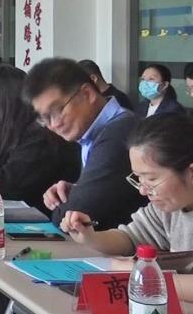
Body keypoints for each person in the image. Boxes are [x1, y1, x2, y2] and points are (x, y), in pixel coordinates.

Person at [60, 114, 193, 301]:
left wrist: (143, 277)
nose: (143, 190)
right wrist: (90, 237)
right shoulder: (171, 207)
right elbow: (130, 238)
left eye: (151, 179)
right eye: (139, 178)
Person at [24, 58, 145, 230]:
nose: (53, 124)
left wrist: (66, 205)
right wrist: (75, 190)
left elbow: (74, 216)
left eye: (57, 111)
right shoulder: (93, 132)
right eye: (45, 118)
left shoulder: (120, 133)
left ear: (87, 94)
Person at [0, 65, 81, 215]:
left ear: (1, 98)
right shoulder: (5, 128)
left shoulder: (40, 134)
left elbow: (9, 183)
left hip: (39, 218)